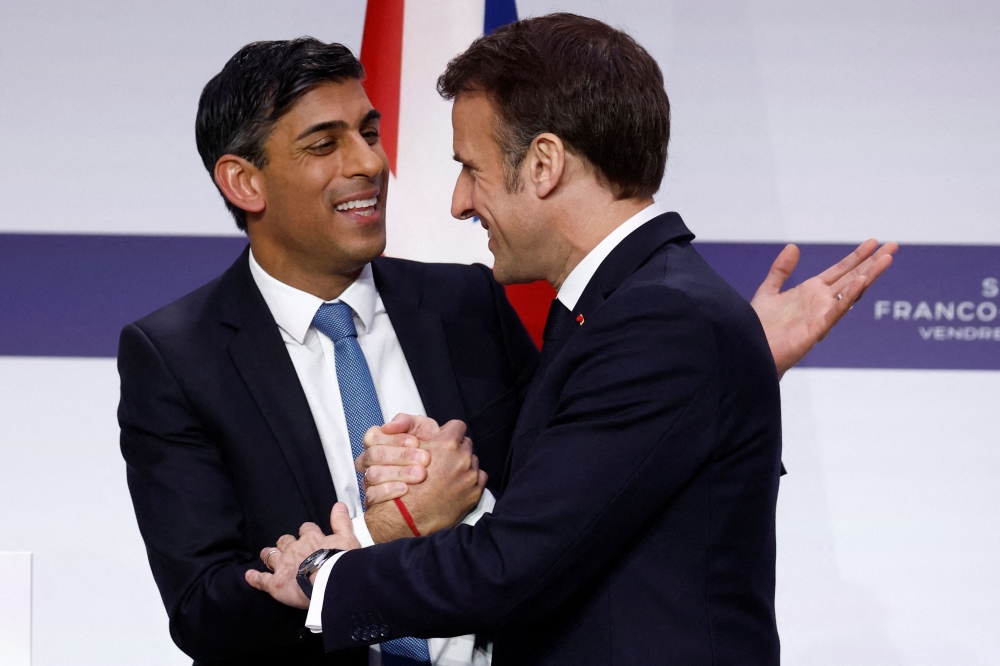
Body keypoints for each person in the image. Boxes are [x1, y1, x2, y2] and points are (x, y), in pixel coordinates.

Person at [119, 33, 894, 666]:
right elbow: (203, 613)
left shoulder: (468, 303)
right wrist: (385, 529)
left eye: (370, 132)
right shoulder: (174, 357)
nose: (370, 163)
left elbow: (543, 525)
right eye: (326, 143)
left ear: (545, 163)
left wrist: (725, 366)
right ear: (244, 182)